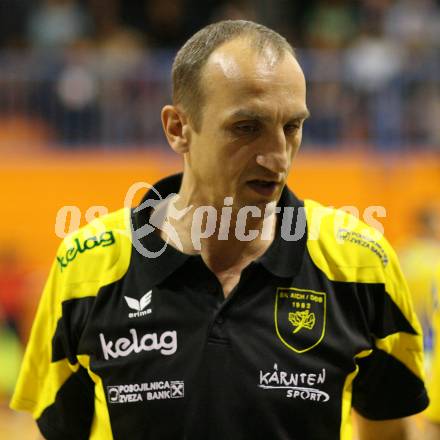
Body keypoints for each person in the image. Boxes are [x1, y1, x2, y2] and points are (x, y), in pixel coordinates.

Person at [10, 20, 428, 439]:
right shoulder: (86, 266)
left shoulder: (360, 264)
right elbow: (51, 429)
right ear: (178, 129)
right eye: (246, 128)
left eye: (292, 127)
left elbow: (390, 427)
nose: (277, 157)